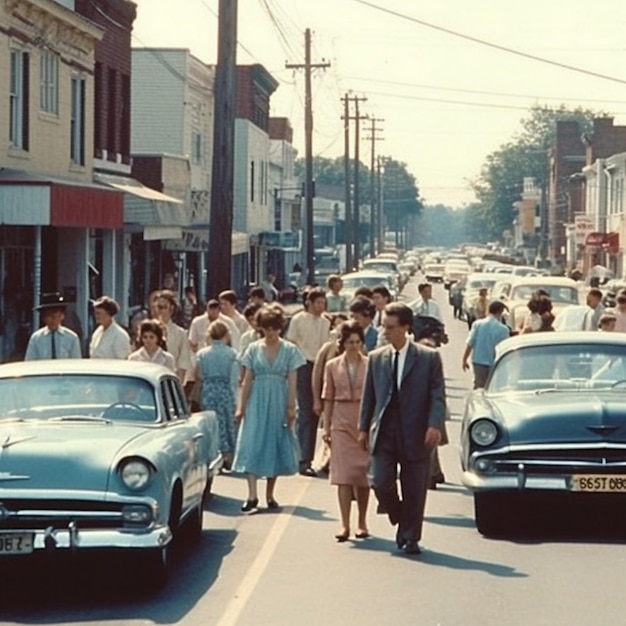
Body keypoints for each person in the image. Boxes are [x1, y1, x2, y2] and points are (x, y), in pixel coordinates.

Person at [358, 302, 446, 555]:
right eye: (384, 326)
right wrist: (363, 428)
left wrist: (433, 425)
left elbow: (437, 394)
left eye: (391, 327)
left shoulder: (428, 358)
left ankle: (411, 537)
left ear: (406, 328)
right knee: (380, 481)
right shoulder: (376, 358)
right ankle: (398, 514)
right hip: (385, 431)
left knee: (415, 488)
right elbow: (369, 397)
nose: (385, 332)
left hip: (416, 431)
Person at [233, 306, 305, 513]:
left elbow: (292, 381)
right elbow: (247, 380)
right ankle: (252, 494)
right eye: (266, 328)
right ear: (260, 328)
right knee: (252, 441)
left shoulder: (290, 350)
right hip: (257, 398)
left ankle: (270, 494)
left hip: (278, 398)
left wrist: (291, 407)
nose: (271, 332)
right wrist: (241, 407)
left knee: (274, 441)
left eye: (274, 328)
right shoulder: (253, 349)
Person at [322, 321, 370, 541]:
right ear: (342, 343)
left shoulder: (371, 364)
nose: (354, 346)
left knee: (362, 475)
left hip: (363, 420)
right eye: (350, 342)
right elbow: (328, 397)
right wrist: (327, 426)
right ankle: (344, 524)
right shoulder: (332, 365)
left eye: (358, 342)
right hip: (341, 420)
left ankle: (362, 521)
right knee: (342, 476)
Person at [286, 286, 331, 476]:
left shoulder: (325, 322)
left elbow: (326, 346)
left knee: (317, 412)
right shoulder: (298, 320)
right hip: (303, 366)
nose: (321, 306)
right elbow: (292, 344)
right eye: (318, 302)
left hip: (320, 366)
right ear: (309, 303)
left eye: (323, 302)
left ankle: (310, 457)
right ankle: (302, 458)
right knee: (305, 411)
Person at [195, 321, 240, 468]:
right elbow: (234, 378)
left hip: (208, 390)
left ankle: (214, 454)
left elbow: (199, 375)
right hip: (225, 390)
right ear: (226, 335)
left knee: (211, 424)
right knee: (227, 423)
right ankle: (228, 455)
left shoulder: (202, 354)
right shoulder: (232, 354)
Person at [462, 301, 510, 389]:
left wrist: (464, 359)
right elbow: (505, 348)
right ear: (500, 312)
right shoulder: (504, 330)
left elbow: (470, 343)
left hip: (478, 361)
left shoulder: (478, 324)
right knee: (494, 388)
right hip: (495, 363)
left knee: (479, 387)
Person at [25, 292, 82, 360]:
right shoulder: (36, 338)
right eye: (48, 316)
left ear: (62, 316)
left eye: (54, 317)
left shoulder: (72, 338)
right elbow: (29, 362)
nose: (52, 320)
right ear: (44, 318)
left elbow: (76, 363)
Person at [156, 290, 193, 382]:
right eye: (158, 307)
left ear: (171, 308)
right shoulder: (148, 329)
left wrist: (179, 384)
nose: (160, 310)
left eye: (164, 307)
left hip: (171, 377)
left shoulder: (180, 333)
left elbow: (183, 362)